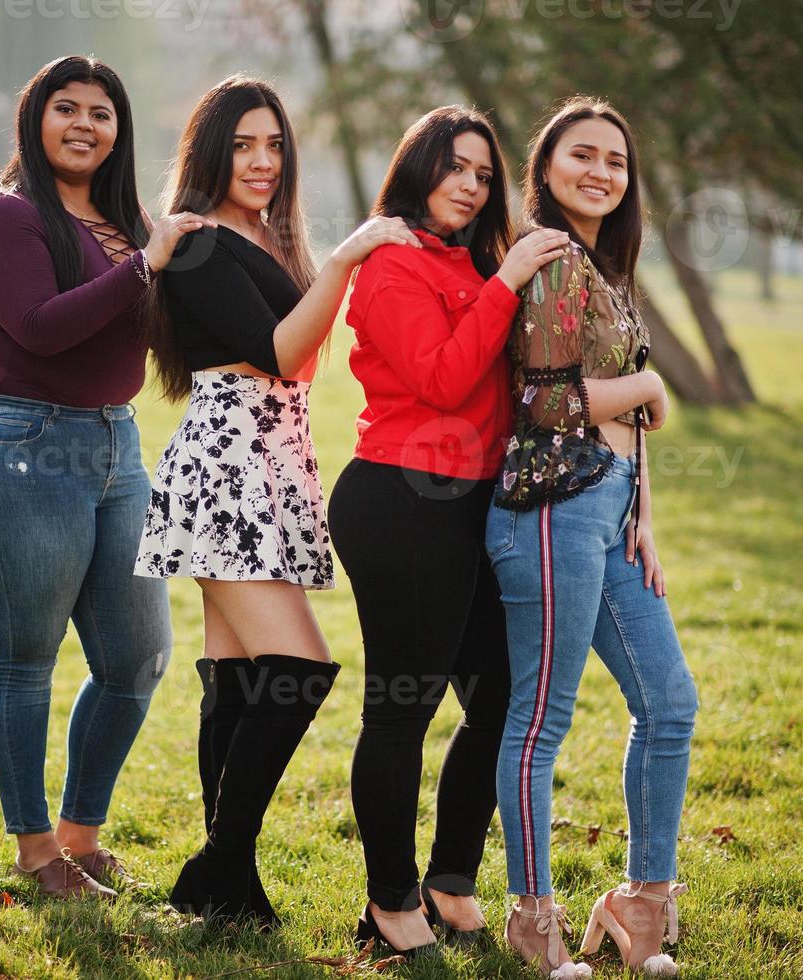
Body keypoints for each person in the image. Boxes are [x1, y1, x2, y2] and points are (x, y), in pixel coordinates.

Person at [134, 75, 417, 927]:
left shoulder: (259, 233)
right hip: (228, 464)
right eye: (243, 145)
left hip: (269, 459)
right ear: (209, 151)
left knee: (235, 678)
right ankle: (218, 864)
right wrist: (346, 258)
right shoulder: (195, 243)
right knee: (296, 670)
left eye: (274, 145)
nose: (261, 161)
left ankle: (229, 883)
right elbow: (281, 356)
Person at [0, 55, 212, 900]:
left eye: (102, 113)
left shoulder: (124, 219)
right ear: (36, 118)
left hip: (113, 447)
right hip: (19, 445)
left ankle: (78, 837)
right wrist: (146, 264)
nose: (85, 126)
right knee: (25, 658)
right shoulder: (8, 218)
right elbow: (40, 328)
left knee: (136, 657)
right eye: (67, 109)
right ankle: (33, 853)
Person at [327, 106, 568, 959]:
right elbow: (439, 378)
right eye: (453, 167)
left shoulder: (477, 262)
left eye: (480, 173)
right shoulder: (391, 261)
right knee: (402, 706)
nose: (468, 185)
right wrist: (506, 285)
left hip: (474, 505)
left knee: (499, 698)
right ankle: (389, 905)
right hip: (401, 499)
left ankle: (450, 882)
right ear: (418, 169)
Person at [486, 97, 699, 978]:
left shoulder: (604, 268)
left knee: (670, 704)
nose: (601, 172)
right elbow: (542, 400)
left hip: (609, 508)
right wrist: (646, 383)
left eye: (616, 161)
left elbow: (622, 410)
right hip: (550, 510)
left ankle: (641, 904)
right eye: (583, 155)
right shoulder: (546, 258)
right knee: (542, 721)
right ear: (545, 168)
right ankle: (532, 916)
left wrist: (642, 509)